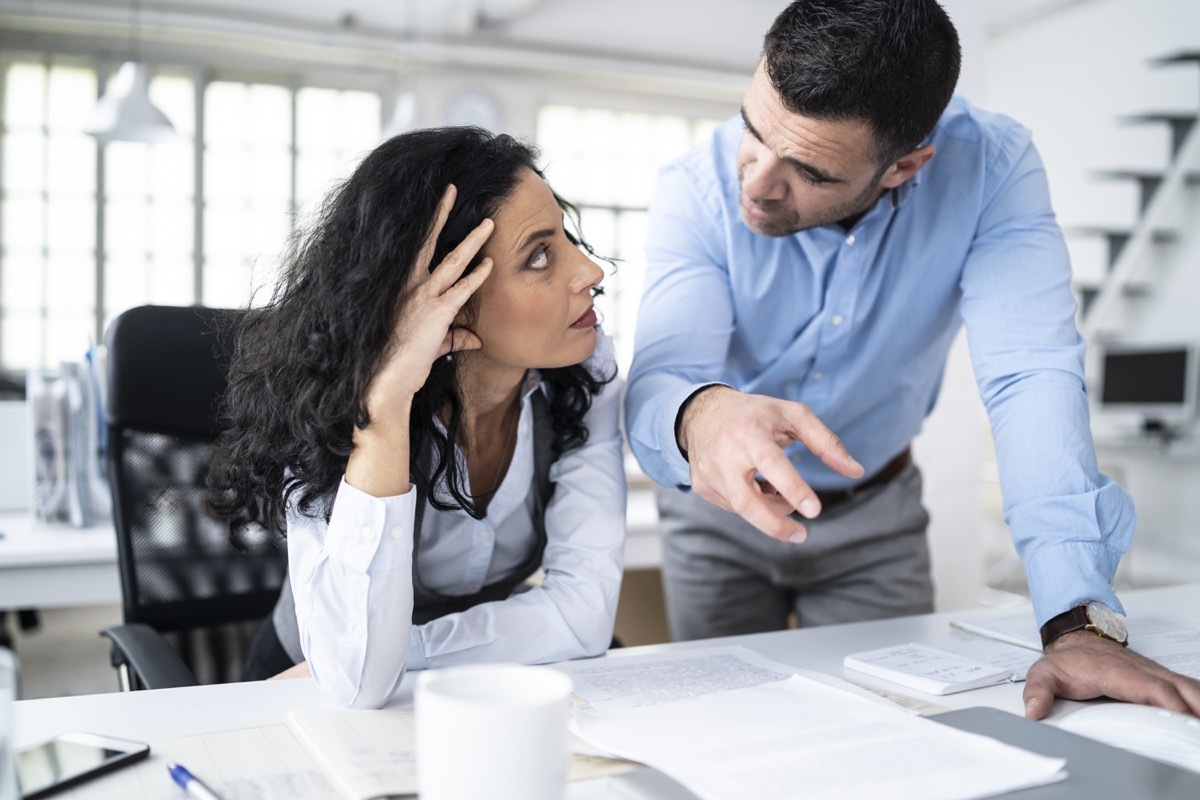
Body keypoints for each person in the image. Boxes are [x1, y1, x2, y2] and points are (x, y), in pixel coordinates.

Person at [624, 0, 1200, 718]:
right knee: (729, 729)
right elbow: (661, 377)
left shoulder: (991, 166)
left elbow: (1030, 372)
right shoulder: (695, 186)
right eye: (752, 129)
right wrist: (699, 414)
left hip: (878, 518)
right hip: (722, 520)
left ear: (905, 165)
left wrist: (1076, 621)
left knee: (897, 731)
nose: (757, 182)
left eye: (807, 170)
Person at [213, 126, 626, 708]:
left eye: (567, 239)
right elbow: (356, 686)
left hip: (478, 683)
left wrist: (407, 652)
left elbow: (583, 615)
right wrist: (383, 412)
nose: (590, 272)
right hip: (299, 689)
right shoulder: (332, 399)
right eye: (539, 256)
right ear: (441, 293)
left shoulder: (585, 371)